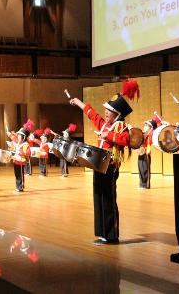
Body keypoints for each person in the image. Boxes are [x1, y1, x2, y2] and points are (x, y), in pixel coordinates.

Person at [70, 79, 137, 245]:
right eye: (106, 110)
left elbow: (126, 140)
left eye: (109, 110)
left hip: (111, 166)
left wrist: (108, 136)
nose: (105, 112)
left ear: (117, 114)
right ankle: (102, 233)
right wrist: (78, 102)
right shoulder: (104, 124)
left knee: (108, 199)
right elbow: (92, 113)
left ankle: (112, 235)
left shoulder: (121, 127)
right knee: (98, 198)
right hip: (99, 165)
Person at [8, 120, 32, 192]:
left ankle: (20, 187)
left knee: (20, 175)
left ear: (23, 137)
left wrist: (20, 152)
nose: (18, 137)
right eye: (18, 135)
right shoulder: (18, 143)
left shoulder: (25, 144)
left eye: (19, 136)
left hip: (21, 161)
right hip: (16, 160)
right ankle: (18, 186)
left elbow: (28, 153)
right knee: (17, 174)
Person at [138, 115, 161, 189]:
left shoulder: (151, 135)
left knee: (145, 169)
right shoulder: (142, 133)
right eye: (144, 125)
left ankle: (146, 185)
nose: (144, 126)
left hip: (146, 153)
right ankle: (141, 184)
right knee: (141, 169)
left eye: (147, 125)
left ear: (151, 128)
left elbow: (153, 143)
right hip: (141, 152)